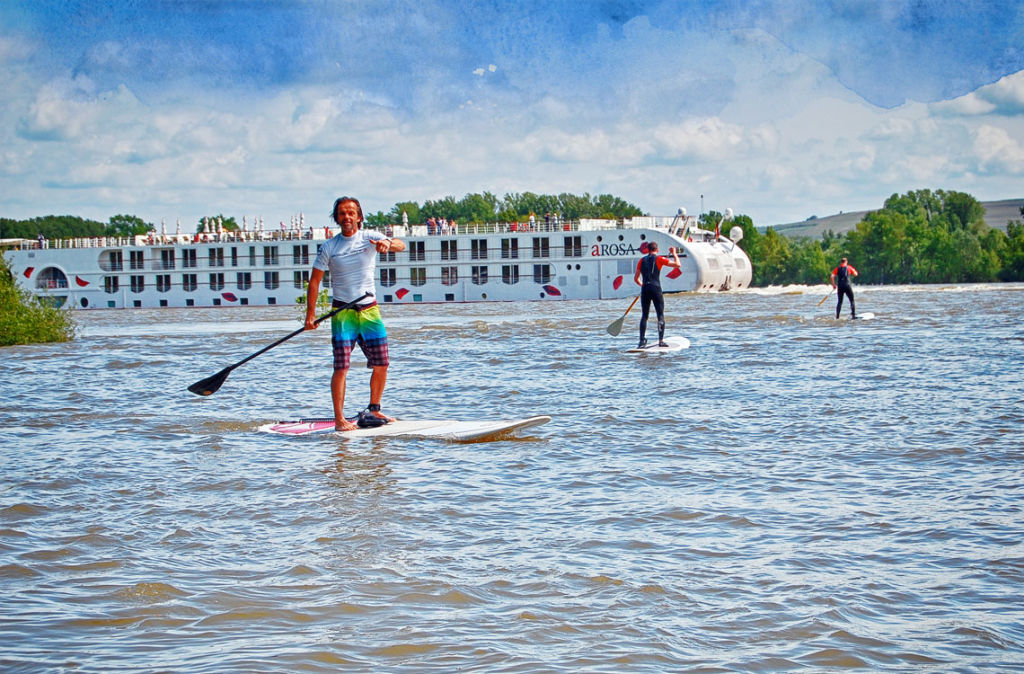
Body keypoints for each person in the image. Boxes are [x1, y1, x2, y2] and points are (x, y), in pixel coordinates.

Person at [305, 197, 406, 431]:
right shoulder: (329, 247)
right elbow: (314, 282)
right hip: (343, 313)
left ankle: (374, 409)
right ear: (337, 218)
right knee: (341, 367)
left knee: (382, 363)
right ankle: (340, 420)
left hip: (370, 310)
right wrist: (310, 316)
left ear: (359, 217)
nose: (347, 217)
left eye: (351, 213)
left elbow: (401, 245)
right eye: (342, 213)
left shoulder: (370, 237)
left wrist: (387, 245)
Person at [633, 242, 682, 348]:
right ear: (657, 249)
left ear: (647, 250)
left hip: (645, 288)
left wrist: (643, 285)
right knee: (660, 315)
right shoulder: (659, 259)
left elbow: (636, 278)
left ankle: (641, 341)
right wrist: (674, 253)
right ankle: (661, 341)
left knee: (644, 316)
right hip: (656, 289)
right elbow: (678, 265)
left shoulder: (641, 260)